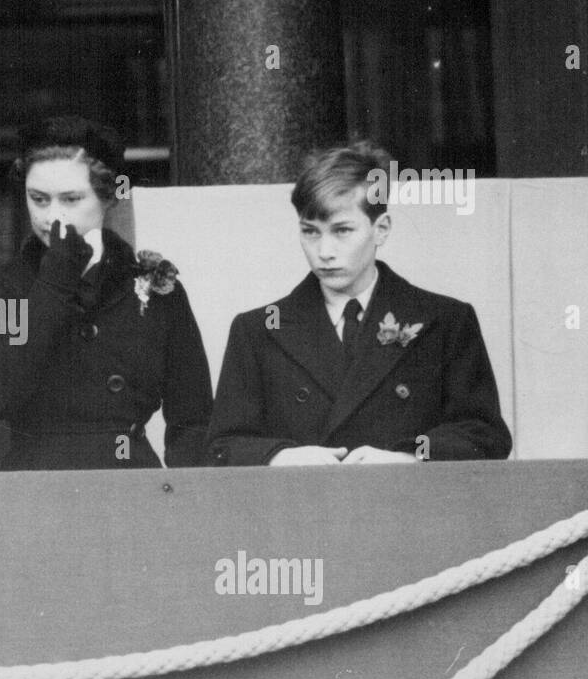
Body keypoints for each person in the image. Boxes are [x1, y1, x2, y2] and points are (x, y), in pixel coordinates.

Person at [206, 141, 512, 466]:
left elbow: (485, 435)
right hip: (300, 508)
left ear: (381, 229)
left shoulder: (446, 320)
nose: (324, 251)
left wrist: (410, 455)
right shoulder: (257, 329)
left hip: (406, 508)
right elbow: (222, 446)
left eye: (342, 231)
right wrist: (280, 456)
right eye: (310, 232)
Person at [0, 115, 213, 469]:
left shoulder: (155, 290)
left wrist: (183, 500)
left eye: (71, 199)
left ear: (107, 198)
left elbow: (193, 419)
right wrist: (53, 283)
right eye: (39, 199)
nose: (53, 217)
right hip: (34, 489)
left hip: (130, 487)